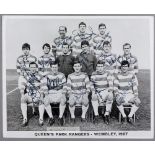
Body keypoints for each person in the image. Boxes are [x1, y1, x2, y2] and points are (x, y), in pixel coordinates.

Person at [18, 62, 44, 127]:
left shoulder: (40, 76)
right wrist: (22, 93)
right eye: (31, 67)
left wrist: (41, 95)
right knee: (23, 99)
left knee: (41, 100)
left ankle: (41, 119)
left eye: (34, 67)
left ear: (36, 68)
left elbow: (43, 86)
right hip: (29, 94)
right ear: (29, 68)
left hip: (38, 94)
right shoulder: (26, 76)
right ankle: (25, 119)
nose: (33, 69)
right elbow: (23, 85)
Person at [41, 61, 67, 126]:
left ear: (58, 67)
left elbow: (65, 86)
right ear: (51, 68)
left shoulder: (62, 75)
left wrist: (63, 94)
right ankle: (51, 117)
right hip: (50, 94)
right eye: (53, 67)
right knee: (46, 101)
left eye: (56, 67)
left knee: (63, 100)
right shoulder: (47, 76)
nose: (54, 69)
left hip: (59, 93)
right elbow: (44, 86)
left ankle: (60, 117)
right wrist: (46, 95)